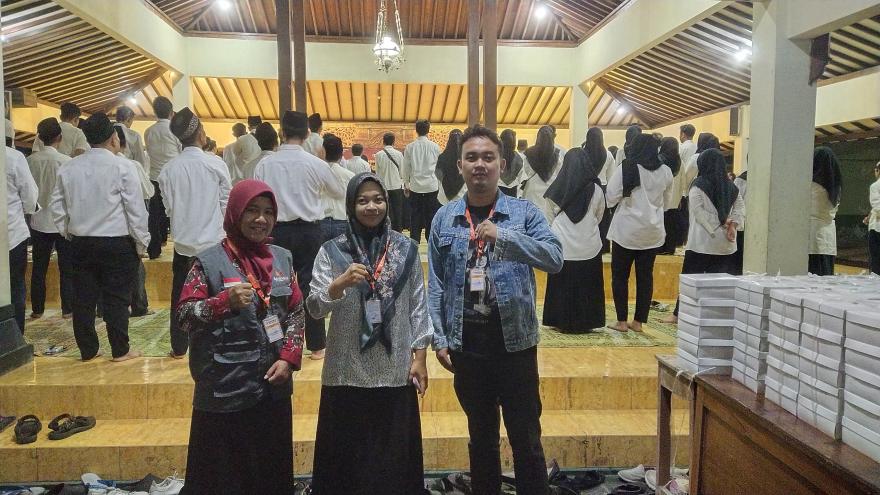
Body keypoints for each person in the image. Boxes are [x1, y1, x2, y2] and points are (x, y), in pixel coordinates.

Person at [429, 125, 563, 495]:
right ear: (459, 165)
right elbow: (436, 283)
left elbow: (554, 258)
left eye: (488, 157)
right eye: (471, 157)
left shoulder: (524, 213)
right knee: (481, 438)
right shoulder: (444, 218)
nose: (480, 164)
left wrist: (504, 236)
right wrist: (440, 338)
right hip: (467, 343)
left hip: (515, 344)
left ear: (502, 164)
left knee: (526, 437)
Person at [175, 179, 304, 495]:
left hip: (272, 389)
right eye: (252, 211)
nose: (261, 219)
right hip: (224, 391)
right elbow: (183, 317)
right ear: (235, 212)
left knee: (269, 475)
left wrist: (288, 358)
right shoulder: (208, 263)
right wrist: (222, 303)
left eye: (268, 212)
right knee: (224, 478)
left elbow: (296, 311)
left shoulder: (282, 258)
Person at [308, 173, 431, 494]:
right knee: (346, 460)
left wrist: (420, 357)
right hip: (345, 369)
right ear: (351, 205)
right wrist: (338, 285)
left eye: (378, 199)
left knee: (391, 460)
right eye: (362, 200)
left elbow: (418, 305)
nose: (371, 206)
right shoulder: (332, 251)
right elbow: (315, 308)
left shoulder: (405, 249)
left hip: (394, 367)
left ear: (387, 203)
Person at [50, 112, 149, 361]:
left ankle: (88, 350)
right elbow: (135, 209)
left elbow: (57, 206)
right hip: (116, 242)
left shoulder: (69, 167)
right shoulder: (123, 166)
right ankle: (120, 350)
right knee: (117, 298)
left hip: (80, 242)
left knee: (83, 299)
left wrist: (67, 232)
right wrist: (141, 242)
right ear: (113, 138)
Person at [254, 110, 346, 361]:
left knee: (274, 286)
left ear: (281, 132)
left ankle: (277, 341)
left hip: (275, 231)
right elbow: (338, 192)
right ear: (307, 133)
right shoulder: (315, 163)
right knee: (310, 285)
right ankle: (316, 345)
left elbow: (257, 196)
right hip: (309, 231)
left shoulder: (265, 164)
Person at [158, 107, 232, 358]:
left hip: (183, 245)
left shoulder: (168, 170)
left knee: (180, 296)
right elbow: (226, 204)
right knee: (218, 297)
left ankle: (179, 347)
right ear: (200, 133)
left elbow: (168, 208)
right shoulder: (215, 164)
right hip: (213, 244)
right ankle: (219, 344)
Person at [606, 134, 673, 333]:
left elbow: (611, 197)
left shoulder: (627, 167)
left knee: (620, 276)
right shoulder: (666, 171)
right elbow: (667, 203)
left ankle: (621, 321)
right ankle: (638, 322)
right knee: (645, 277)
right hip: (652, 232)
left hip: (626, 230)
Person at [667, 149, 744, 323]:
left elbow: (698, 212)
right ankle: (713, 315)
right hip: (725, 244)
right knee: (717, 284)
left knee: (690, 281)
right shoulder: (731, 186)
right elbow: (740, 208)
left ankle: (679, 314)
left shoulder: (698, 185)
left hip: (701, 243)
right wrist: (732, 225)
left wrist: (722, 223)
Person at [543, 148, 606, 333]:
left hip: (562, 246)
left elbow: (548, 219)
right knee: (587, 287)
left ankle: (559, 320)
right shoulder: (596, 189)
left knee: (561, 287)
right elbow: (599, 215)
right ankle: (587, 322)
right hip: (589, 246)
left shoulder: (555, 188)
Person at [27, 118, 74, 320]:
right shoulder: (66, 162)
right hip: (61, 221)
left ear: (39, 138)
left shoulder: (30, 161)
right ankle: (68, 309)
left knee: (39, 267)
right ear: (60, 138)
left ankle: (37, 309)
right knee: (66, 268)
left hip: (38, 221)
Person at [113, 125, 155, 318]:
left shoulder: (78, 166)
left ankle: (102, 309)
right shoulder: (131, 166)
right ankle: (139, 305)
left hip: (91, 234)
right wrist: (142, 239)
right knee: (135, 268)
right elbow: (147, 193)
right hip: (125, 229)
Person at [6, 120, 38, 333]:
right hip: (12, 233)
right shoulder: (14, 157)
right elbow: (29, 196)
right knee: (16, 285)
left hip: (13, 232)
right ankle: (15, 335)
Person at [144, 96, 181, 259]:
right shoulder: (175, 130)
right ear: (171, 112)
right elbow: (181, 152)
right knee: (177, 211)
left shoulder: (149, 131)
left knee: (155, 214)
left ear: (155, 112)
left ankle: (154, 248)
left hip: (154, 176)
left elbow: (149, 152)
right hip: (173, 176)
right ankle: (179, 247)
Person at [402, 119, 441, 243]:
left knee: (415, 217)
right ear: (428, 130)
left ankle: (414, 243)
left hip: (415, 187)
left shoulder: (410, 147)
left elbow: (406, 167)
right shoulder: (435, 147)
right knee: (431, 216)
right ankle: (431, 242)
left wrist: (406, 184)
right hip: (432, 186)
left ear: (416, 130)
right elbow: (439, 169)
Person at [809, 146, 842, 276]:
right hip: (828, 240)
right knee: (825, 280)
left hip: (811, 240)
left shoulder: (811, 185)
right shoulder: (836, 187)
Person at [522, 125, 563, 222]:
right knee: (547, 219)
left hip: (532, 190)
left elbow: (527, 171)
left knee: (531, 220)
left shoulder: (529, 153)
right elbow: (559, 173)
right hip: (551, 191)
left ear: (538, 137)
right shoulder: (558, 154)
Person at [584, 128, 615, 253]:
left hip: (585, 188)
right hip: (602, 189)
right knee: (603, 220)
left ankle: (587, 245)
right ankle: (603, 247)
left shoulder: (583, 153)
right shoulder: (608, 155)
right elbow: (611, 178)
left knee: (586, 218)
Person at [320, 134, 355, 241]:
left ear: (322, 152)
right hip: (342, 221)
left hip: (320, 222)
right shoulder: (350, 176)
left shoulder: (315, 174)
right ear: (341, 154)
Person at [375, 132, 406, 232]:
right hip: (396, 186)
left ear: (383, 142)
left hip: (384, 187)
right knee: (398, 212)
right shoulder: (399, 154)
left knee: (385, 211)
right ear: (393, 142)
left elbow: (377, 173)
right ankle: (398, 232)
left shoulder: (378, 155)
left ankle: (385, 231)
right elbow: (402, 172)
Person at [659, 136, 683, 254]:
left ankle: (660, 248)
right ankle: (670, 248)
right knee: (672, 225)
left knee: (662, 224)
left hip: (662, 199)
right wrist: (679, 198)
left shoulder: (660, 161)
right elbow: (683, 182)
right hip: (674, 200)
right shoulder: (680, 162)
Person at [437, 129, 466, 205]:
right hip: (462, 195)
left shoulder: (442, 157)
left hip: (444, 198)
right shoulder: (467, 157)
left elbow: (438, 175)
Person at [115, 106, 149, 171]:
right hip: (128, 170)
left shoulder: (107, 133)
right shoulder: (134, 135)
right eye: (132, 121)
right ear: (128, 119)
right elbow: (141, 160)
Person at [231, 118, 261, 185]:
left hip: (248, 172)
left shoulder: (242, 139)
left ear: (249, 128)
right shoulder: (267, 137)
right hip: (263, 171)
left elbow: (235, 152)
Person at [731, 168, 749, 275]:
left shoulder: (741, 180)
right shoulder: (741, 179)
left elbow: (734, 202)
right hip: (742, 225)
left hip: (742, 225)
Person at [499, 129, 524, 197]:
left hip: (497, 189)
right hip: (513, 190)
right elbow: (521, 177)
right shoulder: (519, 157)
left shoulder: (496, 155)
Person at [865, 161, 880, 275]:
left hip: (877, 228)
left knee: (876, 258)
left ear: (878, 171)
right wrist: (870, 216)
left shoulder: (875, 186)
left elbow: (877, 205)